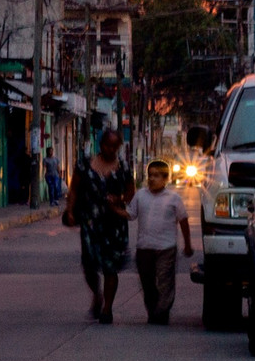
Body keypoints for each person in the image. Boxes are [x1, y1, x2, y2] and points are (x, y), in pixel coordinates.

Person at [65, 128, 134, 323]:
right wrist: (70, 211)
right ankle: (97, 294)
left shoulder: (124, 168)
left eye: (114, 146)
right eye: (107, 145)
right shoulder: (85, 165)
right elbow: (74, 189)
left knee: (110, 267)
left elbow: (131, 192)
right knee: (89, 264)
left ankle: (107, 309)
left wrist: (119, 199)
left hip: (115, 224)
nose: (110, 149)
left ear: (118, 147)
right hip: (90, 222)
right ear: (101, 144)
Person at [127, 159, 193, 324]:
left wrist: (187, 244)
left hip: (166, 248)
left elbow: (183, 220)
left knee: (165, 283)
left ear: (165, 179)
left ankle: (162, 313)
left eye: (156, 176)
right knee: (147, 283)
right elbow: (130, 214)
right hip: (144, 248)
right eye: (150, 175)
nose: (152, 179)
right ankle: (152, 310)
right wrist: (114, 208)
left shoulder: (174, 198)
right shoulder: (140, 195)